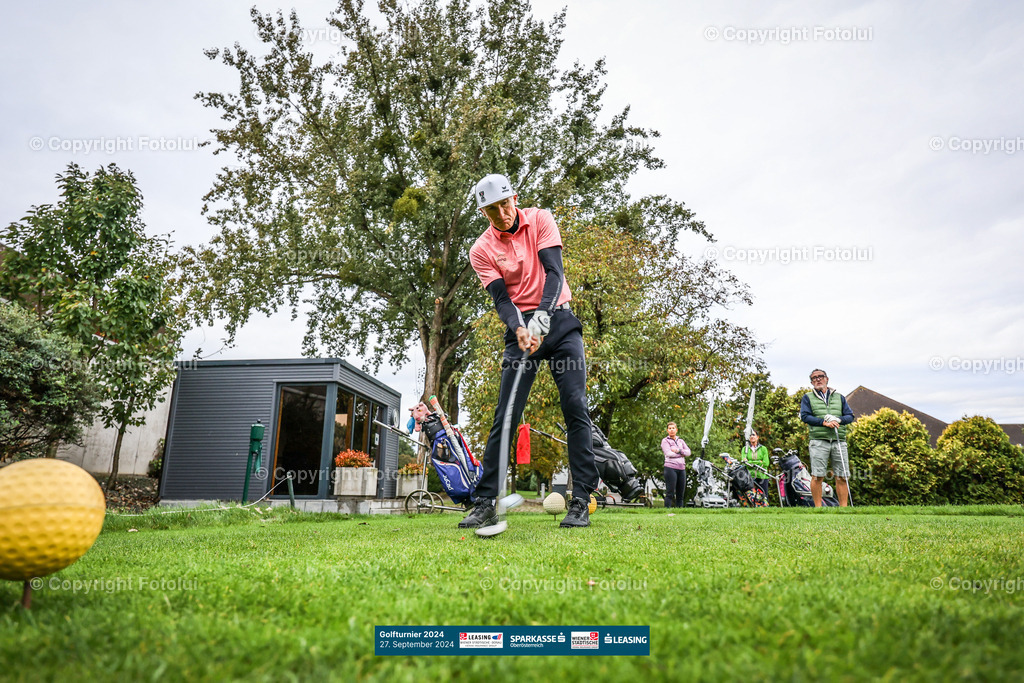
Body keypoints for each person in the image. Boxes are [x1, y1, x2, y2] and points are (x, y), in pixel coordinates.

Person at [460, 173, 599, 530]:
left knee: (574, 405)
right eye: (492, 210)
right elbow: (502, 300)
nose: (502, 214)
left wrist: (543, 317)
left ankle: (581, 499)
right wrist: (520, 329)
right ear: (483, 212)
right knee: (506, 413)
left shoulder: (540, 219)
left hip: (560, 324)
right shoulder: (481, 250)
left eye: (505, 205)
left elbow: (554, 273)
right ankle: (485, 500)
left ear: (514, 198)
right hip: (521, 333)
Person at [799, 369, 855, 507]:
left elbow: (850, 416)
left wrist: (838, 420)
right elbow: (805, 416)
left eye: (820, 377)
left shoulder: (839, 397)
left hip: (839, 440)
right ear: (812, 382)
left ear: (827, 379)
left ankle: (844, 509)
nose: (818, 379)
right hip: (818, 440)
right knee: (817, 476)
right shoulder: (808, 397)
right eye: (814, 378)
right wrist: (824, 422)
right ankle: (818, 508)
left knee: (842, 476)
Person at [660, 422, 690, 507]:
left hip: (681, 469)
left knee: (680, 494)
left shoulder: (681, 441)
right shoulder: (665, 441)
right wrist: (682, 454)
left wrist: (678, 451)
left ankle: (679, 513)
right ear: (667, 430)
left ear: (676, 430)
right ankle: (667, 511)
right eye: (670, 428)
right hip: (670, 468)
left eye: (673, 428)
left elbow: (688, 452)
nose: (671, 430)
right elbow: (669, 453)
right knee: (670, 492)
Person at [740, 430, 771, 503]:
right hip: (750, 477)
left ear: (757, 437)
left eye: (753, 435)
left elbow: (766, 463)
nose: (752, 436)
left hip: (762, 476)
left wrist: (750, 463)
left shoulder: (763, 449)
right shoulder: (745, 449)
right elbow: (744, 463)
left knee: (764, 497)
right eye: (750, 435)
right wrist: (758, 462)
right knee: (751, 497)